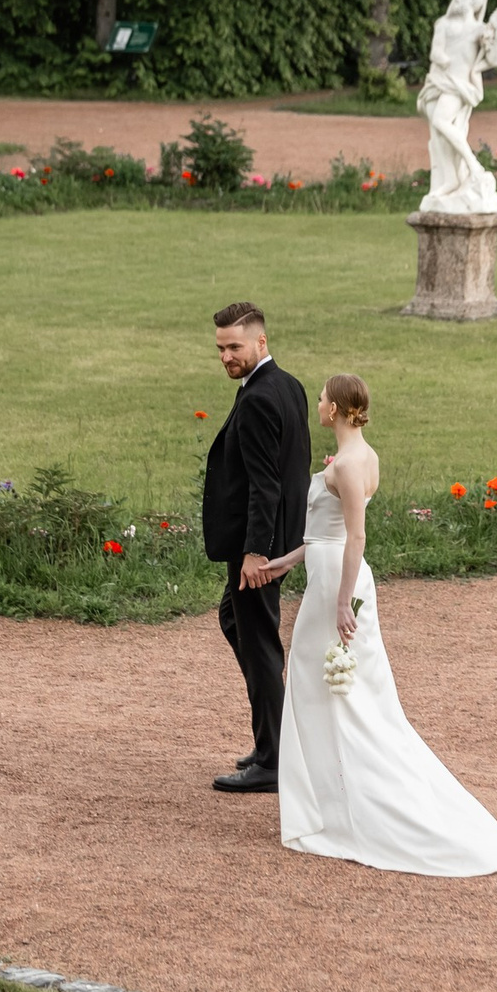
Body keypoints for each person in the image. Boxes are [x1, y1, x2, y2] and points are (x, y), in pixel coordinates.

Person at [260, 374, 497, 877]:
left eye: (322, 399)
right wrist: (286, 562)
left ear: (338, 407)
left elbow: (355, 537)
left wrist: (343, 602)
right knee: (333, 690)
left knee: (328, 689)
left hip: (335, 589)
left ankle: (344, 808)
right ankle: (331, 801)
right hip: (329, 577)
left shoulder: (345, 465)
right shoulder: (366, 457)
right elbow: (327, 535)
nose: (317, 405)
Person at [201, 302, 312, 794]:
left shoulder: (261, 399)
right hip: (283, 535)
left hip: (262, 546)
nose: (226, 356)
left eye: (235, 347)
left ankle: (272, 759)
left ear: (261, 342)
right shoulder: (287, 385)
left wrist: (255, 553)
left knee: (261, 644)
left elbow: (266, 485)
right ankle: (276, 734)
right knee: (236, 621)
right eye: (221, 348)